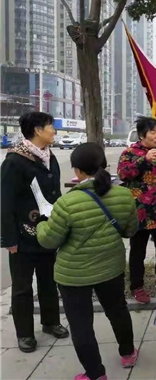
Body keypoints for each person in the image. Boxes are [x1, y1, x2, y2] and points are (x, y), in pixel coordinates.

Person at [36, 143, 139, 380]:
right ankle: (128, 353)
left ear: (78, 171)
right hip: (111, 267)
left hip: (74, 275)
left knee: (81, 325)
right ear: (103, 165)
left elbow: (49, 241)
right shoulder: (124, 195)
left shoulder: (67, 203)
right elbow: (130, 230)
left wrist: (42, 224)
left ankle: (95, 374)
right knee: (118, 310)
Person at [0, 112, 69, 353]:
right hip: (23, 236)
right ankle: (25, 334)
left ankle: (50, 322)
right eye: (51, 126)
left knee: (49, 281)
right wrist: (9, 239)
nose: (54, 130)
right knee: (22, 288)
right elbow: (5, 203)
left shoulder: (49, 157)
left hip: (47, 233)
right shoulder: (14, 161)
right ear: (38, 130)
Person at [117, 116, 156, 304]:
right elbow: (123, 174)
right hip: (140, 212)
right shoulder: (130, 153)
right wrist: (143, 160)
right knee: (138, 251)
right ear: (142, 135)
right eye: (153, 132)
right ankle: (137, 286)